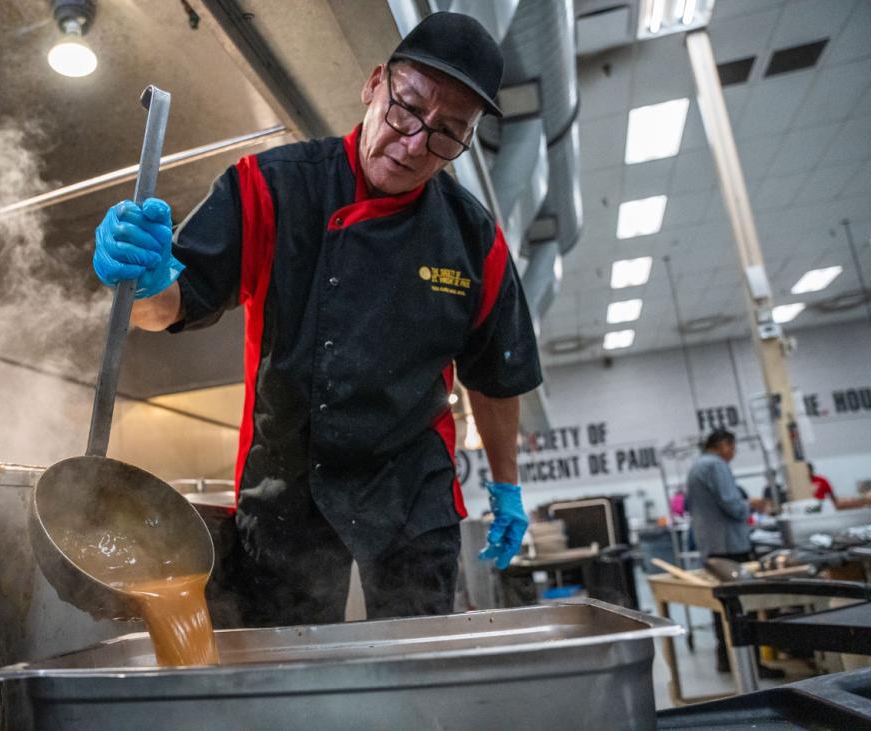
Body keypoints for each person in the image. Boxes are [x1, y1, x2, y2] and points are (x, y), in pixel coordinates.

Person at [90, 12, 542, 628]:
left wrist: (507, 486)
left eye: (447, 133)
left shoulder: (474, 239)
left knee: (416, 663)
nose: (416, 144)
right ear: (375, 84)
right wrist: (142, 280)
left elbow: (495, 374)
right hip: (285, 482)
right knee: (281, 667)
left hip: (411, 496)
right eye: (408, 110)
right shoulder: (270, 187)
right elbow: (170, 306)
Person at [685, 429, 782, 678]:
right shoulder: (715, 465)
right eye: (732, 447)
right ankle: (751, 663)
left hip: (712, 544)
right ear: (723, 445)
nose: (733, 453)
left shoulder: (697, 467)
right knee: (743, 605)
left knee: (723, 605)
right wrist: (751, 505)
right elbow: (732, 505)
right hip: (729, 545)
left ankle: (726, 658)